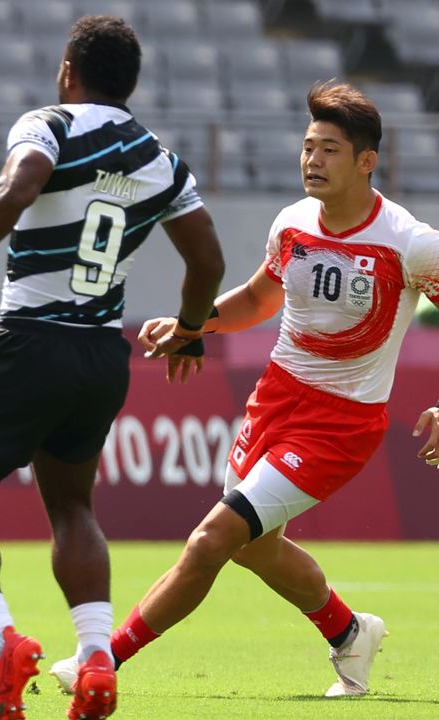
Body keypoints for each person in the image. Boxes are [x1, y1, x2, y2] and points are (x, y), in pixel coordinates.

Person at [0, 16, 225, 720]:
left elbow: (17, 190)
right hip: (101, 355)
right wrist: (192, 330)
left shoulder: (50, 124)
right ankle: (97, 657)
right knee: (73, 506)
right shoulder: (161, 159)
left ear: (69, 69)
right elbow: (208, 260)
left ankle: (1, 646)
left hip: (30, 342)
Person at [86, 81, 438, 700]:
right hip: (275, 400)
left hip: (341, 423)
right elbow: (257, 299)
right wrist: (192, 326)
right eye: (308, 147)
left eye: (329, 150)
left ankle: (102, 661)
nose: (312, 160)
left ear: (367, 161)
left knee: (212, 539)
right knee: (253, 548)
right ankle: (350, 632)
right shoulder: (293, 222)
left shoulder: (410, 244)